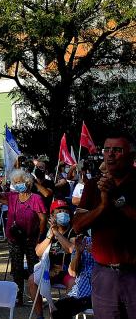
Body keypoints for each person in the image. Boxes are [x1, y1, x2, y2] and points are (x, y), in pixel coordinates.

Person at [73, 130, 136, 316]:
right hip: (104, 274)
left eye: (117, 150)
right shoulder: (94, 185)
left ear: (131, 155)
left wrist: (116, 199)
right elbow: (77, 226)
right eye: (106, 149)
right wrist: (101, 207)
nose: (110, 154)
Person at [0, 168, 47, 304]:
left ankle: (36, 295)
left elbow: (43, 219)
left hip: (31, 238)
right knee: (17, 268)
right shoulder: (12, 196)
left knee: (34, 267)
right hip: (14, 238)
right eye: (15, 182)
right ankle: (18, 295)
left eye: (20, 181)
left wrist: (39, 237)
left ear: (27, 182)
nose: (18, 184)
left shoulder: (36, 198)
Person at [51, 234, 93, 319]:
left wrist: (97, 253)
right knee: (57, 308)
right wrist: (78, 253)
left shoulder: (109, 243)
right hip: (80, 294)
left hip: (100, 293)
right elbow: (72, 272)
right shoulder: (83, 241)